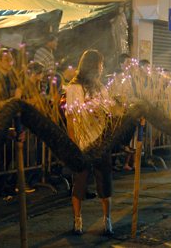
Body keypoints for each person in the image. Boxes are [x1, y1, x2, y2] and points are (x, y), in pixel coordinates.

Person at [65, 49, 118, 236]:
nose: (102, 68)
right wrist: (73, 142)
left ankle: (107, 220)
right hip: (82, 142)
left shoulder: (101, 88)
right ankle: (78, 220)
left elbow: (110, 110)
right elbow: (70, 116)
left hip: (101, 141)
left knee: (105, 182)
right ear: (93, 65)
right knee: (79, 182)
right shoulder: (74, 88)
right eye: (101, 64)